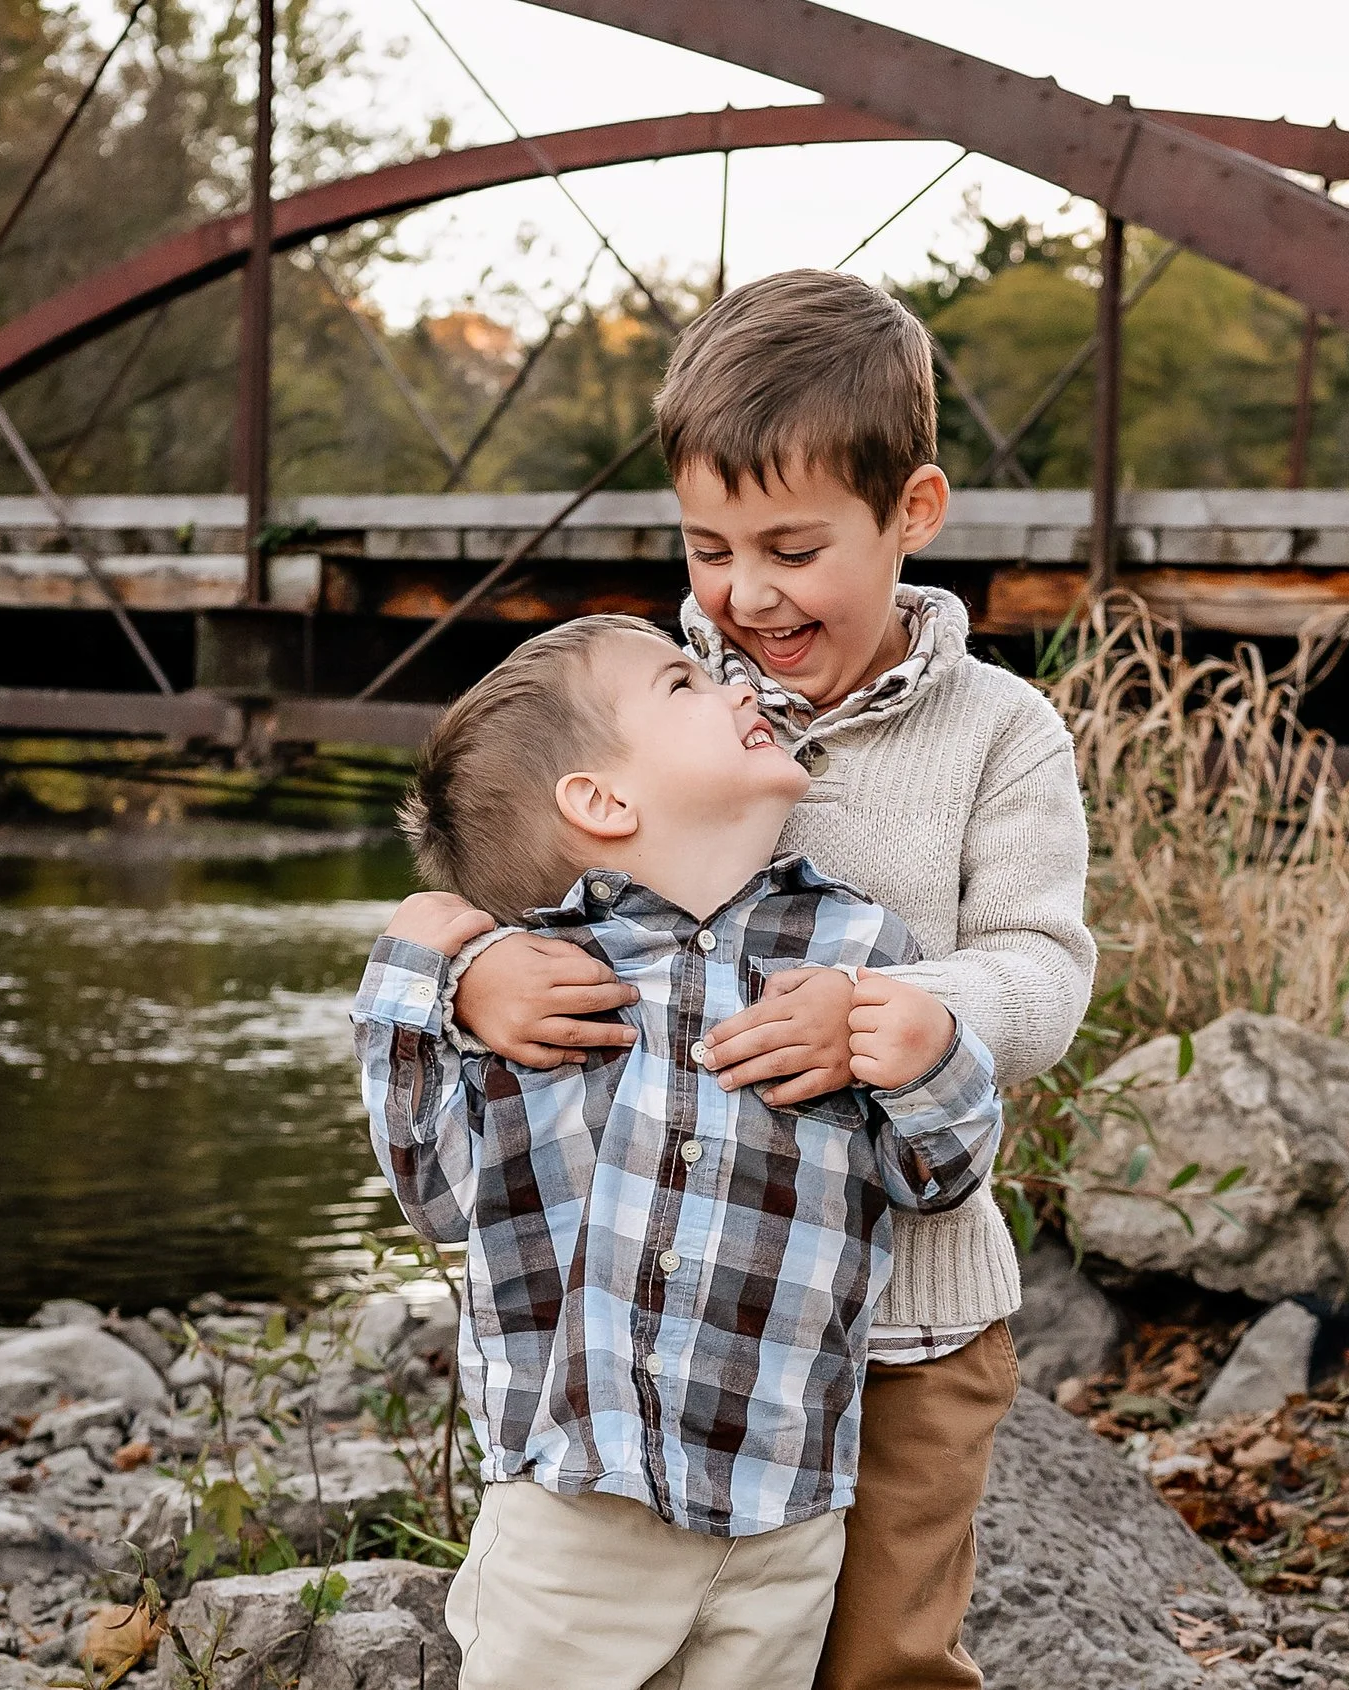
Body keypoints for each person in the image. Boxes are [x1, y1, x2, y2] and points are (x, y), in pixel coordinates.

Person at [428, 269, 1098, 1690]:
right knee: (700, 1633)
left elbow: (1046, 961)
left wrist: (925, 1016)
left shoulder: (1001, 731)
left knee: (888, 1649)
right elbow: (516, 859)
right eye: (708, 545)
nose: (743, 594)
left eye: (792, 546)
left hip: (916, 1304)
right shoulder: (669, 706)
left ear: (911, 514)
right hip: (704, 1301)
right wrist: (480, 970)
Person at [351, 612, 1004, 1690]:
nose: (735, 684)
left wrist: (929, 1050)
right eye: (682, 684)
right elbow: (433, 1192)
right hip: (581, 1507)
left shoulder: (856, 950)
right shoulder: (537, 983)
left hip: (784, 1510)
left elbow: (937, 1176)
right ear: (600, 802)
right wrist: (424, 970)